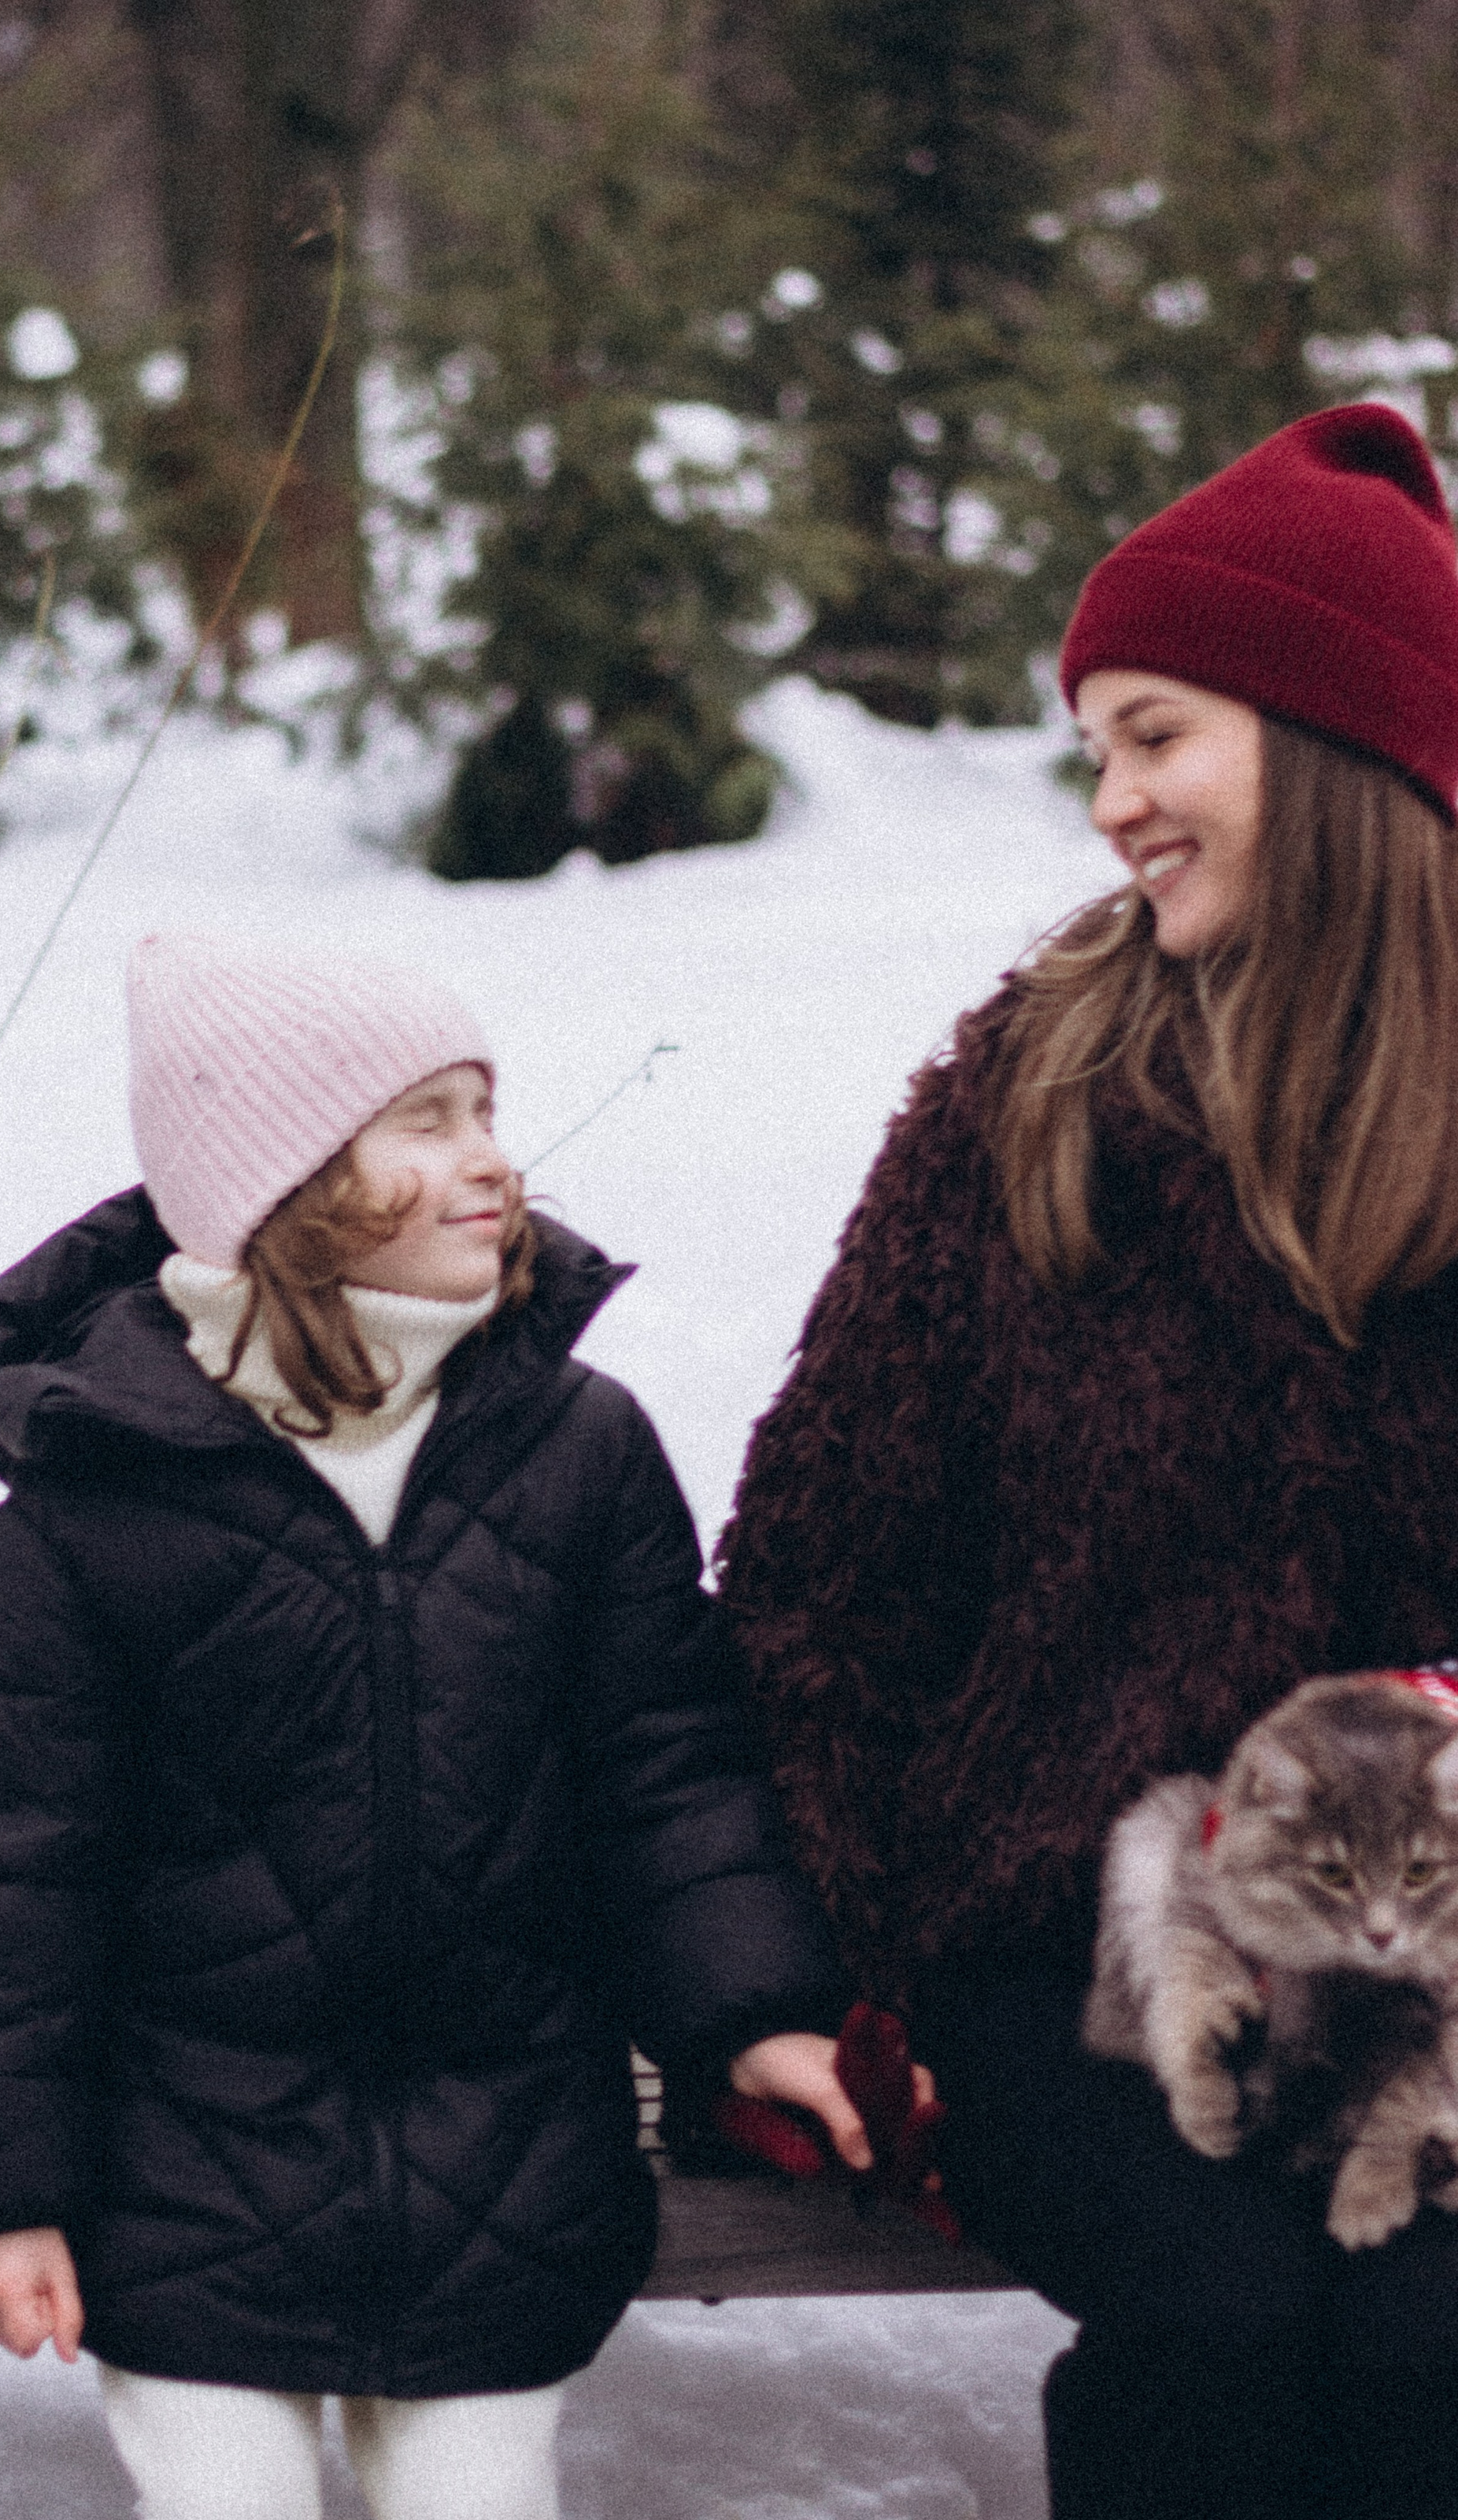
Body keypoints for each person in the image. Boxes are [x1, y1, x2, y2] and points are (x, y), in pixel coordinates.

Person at [0, 932, 876, 2520]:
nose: (491, 1159)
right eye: (426, 1120)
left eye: (486, 1110)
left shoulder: (576, 1448)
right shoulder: (92, 1501)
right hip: (181, 2167)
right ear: (282, 1184)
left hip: (504, 2156)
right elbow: (5, 1880)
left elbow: (664, 1773)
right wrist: (3, 2193)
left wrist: (747, 2011)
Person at [716, 401, 1458, 2520]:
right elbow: (817, 1585)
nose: (1112, 800)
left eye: (1155, 736)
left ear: (1336, 743)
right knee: (1217, 2310)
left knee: (1424, 2333)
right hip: (1060, 1942)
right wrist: (836, 1972)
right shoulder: (1028, 1099)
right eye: (1094, 751)